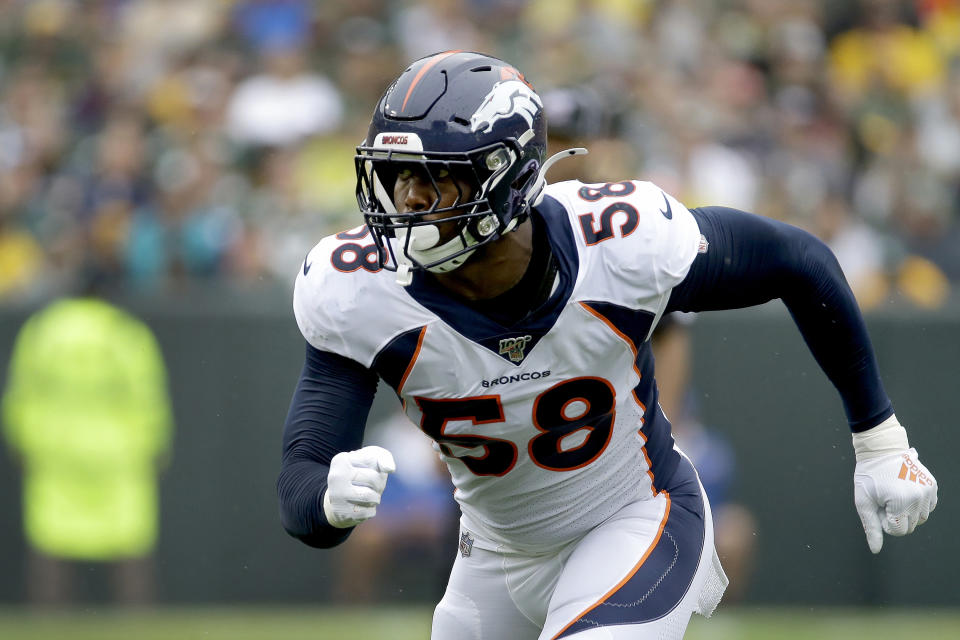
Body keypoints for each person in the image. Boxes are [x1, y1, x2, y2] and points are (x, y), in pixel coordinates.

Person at [277, 51, 938, 639]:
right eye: (398, 175)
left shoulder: (618, 242)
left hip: (632, 519)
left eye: (435, 176)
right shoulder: (357, 288)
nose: (408, 199)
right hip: (495, 557)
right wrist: (328, 500)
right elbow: (301, 483)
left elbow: (798, 259)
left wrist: (880, 439)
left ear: (507, 176)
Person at [2, 294, 173, 606]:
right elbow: (148, 399)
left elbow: (22, 394)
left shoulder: (42, 332)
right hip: (119, 457)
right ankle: (136, 627)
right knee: (129, 550)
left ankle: (48, 626)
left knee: (50, 548)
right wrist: (155, 446)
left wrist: (23, 442)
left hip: (56, 454)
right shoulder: (127, 333)